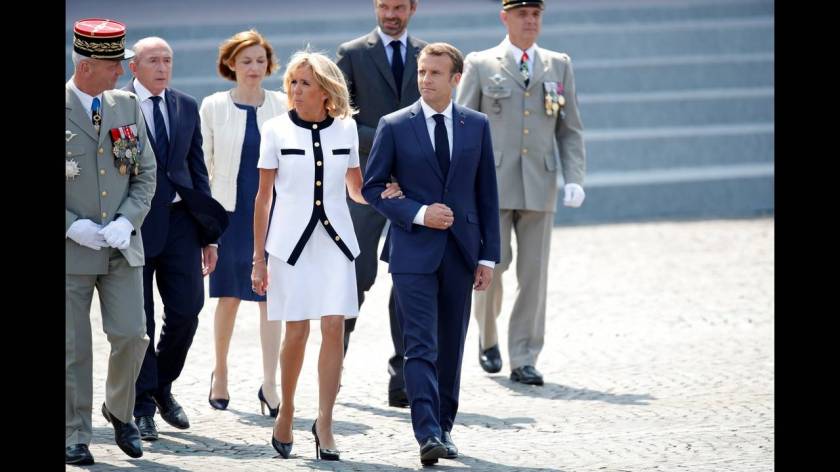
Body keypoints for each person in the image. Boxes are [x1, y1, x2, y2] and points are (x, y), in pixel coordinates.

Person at [252, 51, 403, 461]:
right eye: (293, 82)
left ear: (325, 90)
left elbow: (355, 188)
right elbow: (263, 200)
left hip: (336, 245)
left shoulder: (347, 129)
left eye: (305, 83)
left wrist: (383, 194)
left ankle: (326, 422)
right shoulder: (274, 130)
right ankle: (286, 412)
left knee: (335, 327)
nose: (296, 90)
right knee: (297, 332)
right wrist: (259, 259)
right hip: (290, 248)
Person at [362, 42, 501, 466]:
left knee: (451, 346)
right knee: (419, 345)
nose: (425, 79)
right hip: (411, 253)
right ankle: (427, 433)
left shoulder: (476, 125)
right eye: (422, 72)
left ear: (456, 78)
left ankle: (444, 425)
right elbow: (373, 187)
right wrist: (419, 213)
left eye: (435, 73)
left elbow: (487, 194)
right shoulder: (394, 125)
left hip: (462, 253)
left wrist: (488, 257)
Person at [456, 0, 587, 386]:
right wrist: (461, 185)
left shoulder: (558, 64)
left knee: (534, 275)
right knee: (491, 268)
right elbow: (463, 127)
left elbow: (570, 128)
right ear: (505, 17)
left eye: (535, 14)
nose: (530, 21)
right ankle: (487, 336)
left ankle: (524, 356)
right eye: (522, 14)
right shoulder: (481, 64)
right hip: (491, 186)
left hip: (540, 184)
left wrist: (574, 176)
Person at [66, 18, 156, 465]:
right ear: (86, 66)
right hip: (71, 251)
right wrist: (69, 225)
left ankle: (119, 411)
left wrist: (127, 219)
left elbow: (146, 173)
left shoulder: (126, 106)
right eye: (114, 65)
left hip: (121, 246)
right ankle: (74, 432)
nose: (122, 72)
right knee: (72, 347)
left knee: (132, 335)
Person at [124, 36, 223, 440]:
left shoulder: (185, 104)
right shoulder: (118, 106)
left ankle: (161, 384)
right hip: (133, 224)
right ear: (134, 67)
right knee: (141, 320)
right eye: (153, 60)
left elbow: (197, 170)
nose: (162, 67)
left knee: (187, 310)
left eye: (167, 60)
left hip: (182, 222)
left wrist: (209, 236)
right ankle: (142, 405)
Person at [335, 0, 427, 408]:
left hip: (416, 186)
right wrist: (391, 139)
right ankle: (334, 365)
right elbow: (340, 115)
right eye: (385, 6)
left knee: (410, 277)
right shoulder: (352, 53)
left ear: (413, 8)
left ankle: (403, 375)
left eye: (399, 7)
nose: (391, 14)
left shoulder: (428, 55)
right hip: (365, 183)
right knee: (355, 273)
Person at [199, 29, 288, 417]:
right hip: (229, 214)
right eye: (246, 61)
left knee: (271, 298)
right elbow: (203, 164)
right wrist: (205, 224)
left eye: (260, 60)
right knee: (229, 296)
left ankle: (270, 383)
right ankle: (220, 372)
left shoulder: (283, 103)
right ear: (231, 64)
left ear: (269, 65)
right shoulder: (213, 105)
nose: (254, 67)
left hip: (273, 213)